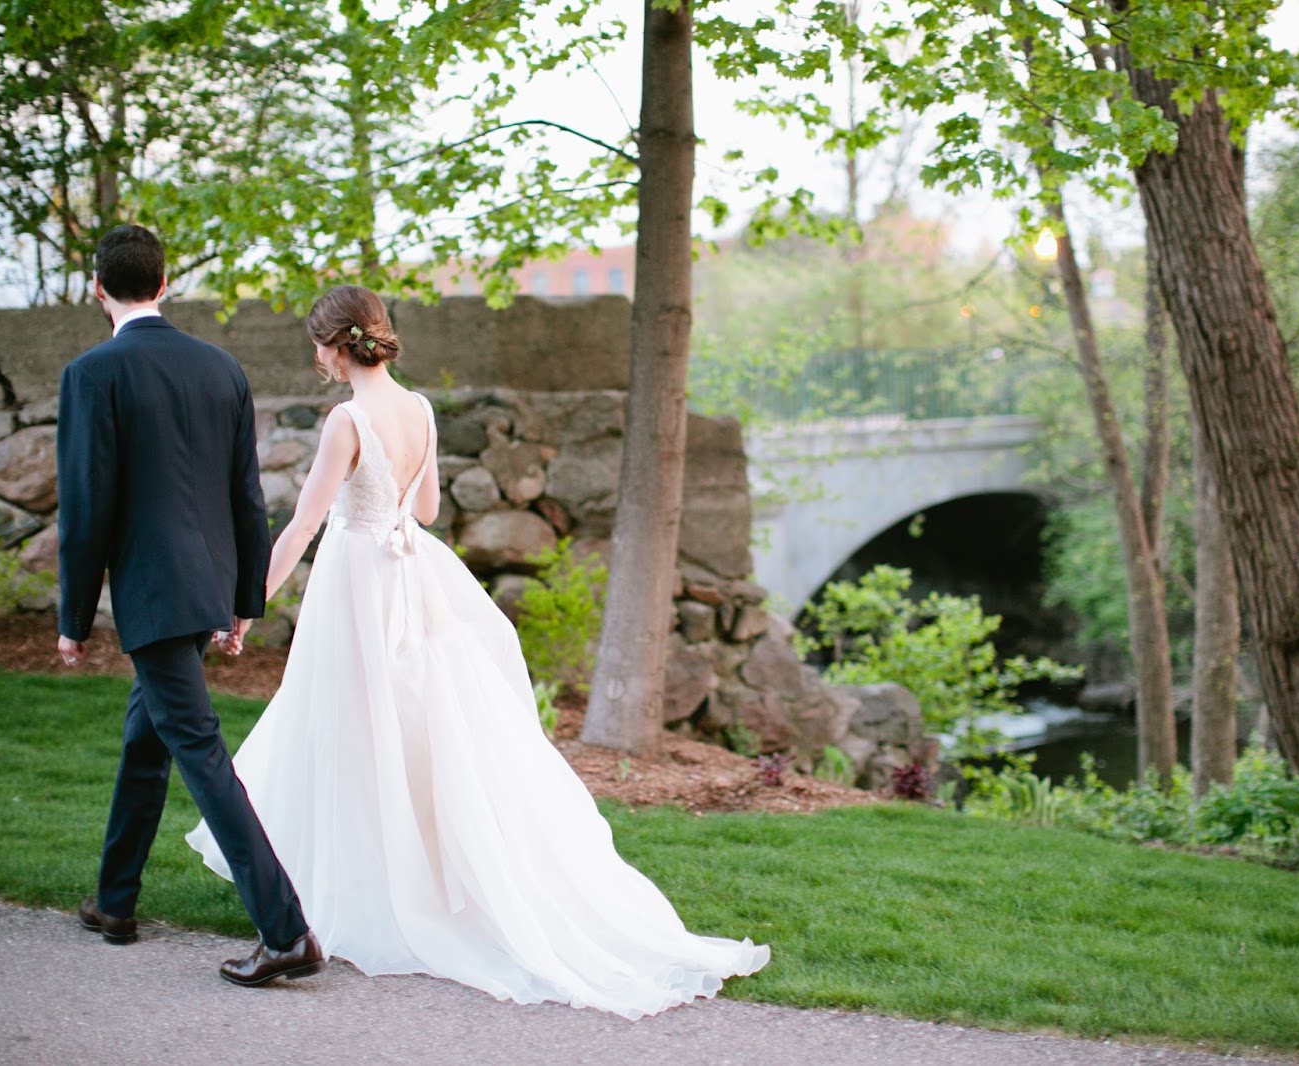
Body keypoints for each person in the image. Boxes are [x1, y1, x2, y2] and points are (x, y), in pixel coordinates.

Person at [187, 284, 768, 1019]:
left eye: (317, 343)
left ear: (337, 345)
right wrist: (390, 499)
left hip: (358, 582)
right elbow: (426, 510)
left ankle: (361, 888)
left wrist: (247, 606)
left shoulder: (347, 421)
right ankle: (407, 875)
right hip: (408, 573)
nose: (316, 357)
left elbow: (301, 529)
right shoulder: (420, 411)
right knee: (412, 729)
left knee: (350, 728)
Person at [57, 224, 323, 987]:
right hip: (204, 587)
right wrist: (242, 598)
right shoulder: (220, 368)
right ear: (165, 285)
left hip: (152, 593)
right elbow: (247, 495)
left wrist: (75, 619)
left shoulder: (91, 374)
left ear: (97, 287)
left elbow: (85, 508)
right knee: (150, 737)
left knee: (200, 755)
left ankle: (286, 932)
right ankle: (115, 902)